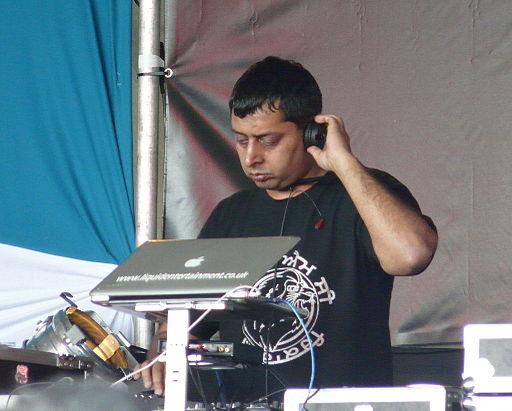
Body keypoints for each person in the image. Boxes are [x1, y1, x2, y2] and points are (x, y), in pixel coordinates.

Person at [134, 56, 438, 403]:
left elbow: (411, 256)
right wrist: (164, 348)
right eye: (241, 140)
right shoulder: (231, 214)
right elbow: (189, 320)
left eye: (267, 140)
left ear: (312, 132)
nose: (251, 157)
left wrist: (344, 162)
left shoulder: (364, 195)